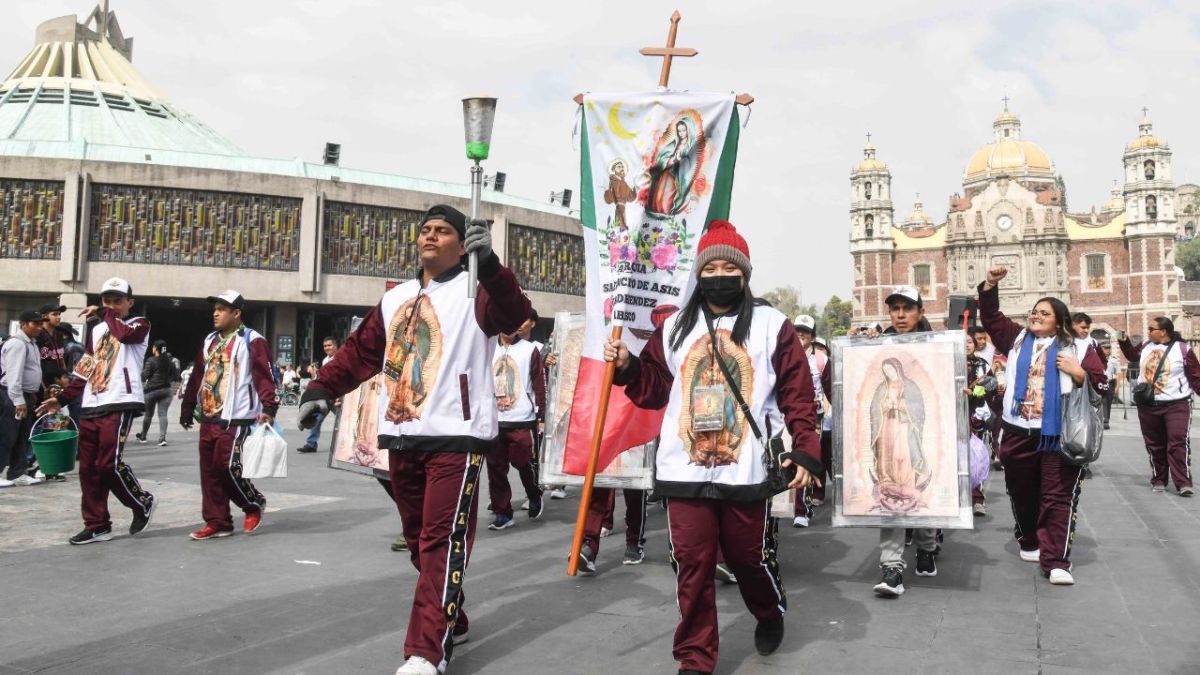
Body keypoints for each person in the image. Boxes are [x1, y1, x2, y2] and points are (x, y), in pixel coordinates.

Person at [297, 204, 529, 675]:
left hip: (456, 439)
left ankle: (426, 651)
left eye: (443, 231)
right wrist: (321, 388)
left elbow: (516, 314)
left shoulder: (477, 293)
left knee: (441, 541)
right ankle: (451, 616)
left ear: (462, 245)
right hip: (401, 436)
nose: (430, 236)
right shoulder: (395, 297)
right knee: (418, 541)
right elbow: (360, 351)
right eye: (425, 230)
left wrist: (492, 269)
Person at [604, 220, 820, 674]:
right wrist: (626, 367)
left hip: (745, 469)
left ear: (744, 273)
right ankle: (695, 658)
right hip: (685, 467)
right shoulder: (674, 329)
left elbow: (797, 395)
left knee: (747, 556)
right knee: (693, 564)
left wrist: (805, 447)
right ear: (698, 274)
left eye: (729, 267)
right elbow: (655, 388)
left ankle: (767, 609)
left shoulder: (772, 325)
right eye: (711, 267)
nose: (719, 275)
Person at [979, 266, 1107, 585]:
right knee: (1022, 493)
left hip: (1058, 436)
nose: (1036, 316)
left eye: (1044, 313)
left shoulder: (1079, 348)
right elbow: (992, 317)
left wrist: (1080, 374)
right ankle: (1029, 539)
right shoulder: (1017, 338)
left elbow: (1103, 386)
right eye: (1034, 312)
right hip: (1017, 433)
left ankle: (1056, 560)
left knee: (1056, 496)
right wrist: (991, 284)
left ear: (1059, 320)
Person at [37, 277, 157, 544]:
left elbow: (124, 336)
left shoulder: (139, 325)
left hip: (120, 401)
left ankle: (142, 502)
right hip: (92, 403)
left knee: (108, 465)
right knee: (88, 469)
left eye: (118, 301)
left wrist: (105, 314)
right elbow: (85, 367)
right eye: (107, 301)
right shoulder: (97, 330)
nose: (112, 306)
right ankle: (97, 524)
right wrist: (63, 399)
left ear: (130, 303)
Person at [179, 290, 278, 540]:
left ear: (236, 313)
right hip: (210, 414)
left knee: (225, 467)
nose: (215, 313)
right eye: (215, 308)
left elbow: (264, 375)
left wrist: (269, 408)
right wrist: (188, 405)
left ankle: (252, 502)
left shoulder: (252, 340)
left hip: (238, 416)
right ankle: (218, 521)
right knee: (209, 472)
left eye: (222, 309)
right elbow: (198, 375)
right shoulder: (209, 341)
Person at [864, 287, 941, 597]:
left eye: (907, 309)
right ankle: (891, 565)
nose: (899, 315)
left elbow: (926, 405)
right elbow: (872, 406)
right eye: (894, 308)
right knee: (891, 495)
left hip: (912, 439)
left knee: (917, 490)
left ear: (920, 312)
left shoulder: (937, 349)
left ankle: (926, 545)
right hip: (889, 440)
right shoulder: (878, 346)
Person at [1118, 317, 1200, 497]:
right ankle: (1159, 479)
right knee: (1154, 445)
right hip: (1148, 405)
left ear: (1163, 331)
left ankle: (1183, 482)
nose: (1148, 332)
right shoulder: (1147, 345)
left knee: (1177, 443)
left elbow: (1195, 375)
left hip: (1176, 404)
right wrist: (1124, 341)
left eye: (1151, 328)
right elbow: (1133, 356)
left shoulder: (1183, 350)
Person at [486, 325, 546, 530]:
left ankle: (533, 493)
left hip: (521, 418)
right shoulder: (488, 347)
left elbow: (539, 383)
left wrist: (541, 414)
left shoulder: (530, 350)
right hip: (494, 418)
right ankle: (503, 512)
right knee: (495, 468)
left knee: (523, 461)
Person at [790, 314, 831, 527]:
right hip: (785, 416)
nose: (800, 335)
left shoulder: (822, 360)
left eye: (804, 331)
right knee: (782, 460)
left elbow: (832, 391)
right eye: (796, 330)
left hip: (813, 418)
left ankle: (801, 511)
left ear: (812, 336)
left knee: (805, 460)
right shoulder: (782, 355)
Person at [1, 310, 46, 488]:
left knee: (21, 436)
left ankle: (17, 473)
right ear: (23, 324)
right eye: (35, 324)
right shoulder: (17, 344)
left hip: (27, 395)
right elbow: (14, 374)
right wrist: (18, 400)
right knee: (7, 435)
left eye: (40, 323)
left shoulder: (31, 344)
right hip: (12, 396)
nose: (39, 327)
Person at [966, 332, 997, 515]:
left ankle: (977, 498)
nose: (966, 345)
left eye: (969, 341)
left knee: (974, 457)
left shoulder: (982, 364)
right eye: (962, 342)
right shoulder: (946, 363)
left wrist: (975, 392)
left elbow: (991, 385)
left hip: (974, 413)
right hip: (953, 413)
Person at [297, 338, 339, 453]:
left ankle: (350, 445)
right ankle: (311, 444)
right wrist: (314, 373)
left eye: (329, 345)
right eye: (325, 346)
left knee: (343, 420)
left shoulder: (341, 358)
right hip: (326, 396)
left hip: (339, 396)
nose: (327, 348)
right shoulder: (325, 360)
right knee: (317, 418)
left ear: (335, 346)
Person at [136, 340, 178, 446]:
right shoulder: (170, 361)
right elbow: (175, 375)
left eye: (153, 347)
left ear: (155, 348)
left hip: (152, 390)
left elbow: (145, 375)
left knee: (148, 415)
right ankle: (162, 439)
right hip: (166, 390)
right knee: (163, 414)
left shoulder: (151, 360)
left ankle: (143, 436)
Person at [36, 303, 78, 374]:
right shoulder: (38, 334)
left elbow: (61, 358)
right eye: (54, 314)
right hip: (43, 379)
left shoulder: (59, 334)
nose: (58, 317)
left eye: (59, 314)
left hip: (59, 379)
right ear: (44, 316)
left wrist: (64, 374)